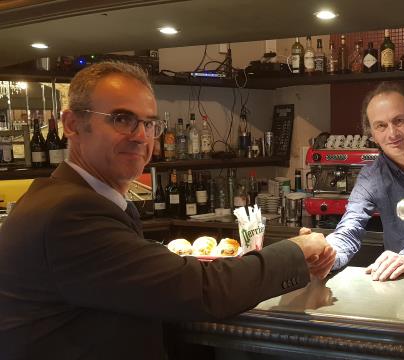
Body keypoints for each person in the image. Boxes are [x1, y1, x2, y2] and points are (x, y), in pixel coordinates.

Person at [0, 61, 335, 359]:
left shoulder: (83, 199)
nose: (141, 136)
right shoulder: (69, 214)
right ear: (72, 124)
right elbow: (202, 290)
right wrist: (296, 249)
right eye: (122, 119)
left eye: (149, 124)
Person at [307, 82, 404, 282]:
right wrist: (328, 254)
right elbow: (350, 227)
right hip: (402, 284)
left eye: (399, 121)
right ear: (372, 135)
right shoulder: (371, 175)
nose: (392, 133)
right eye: (381, 125)